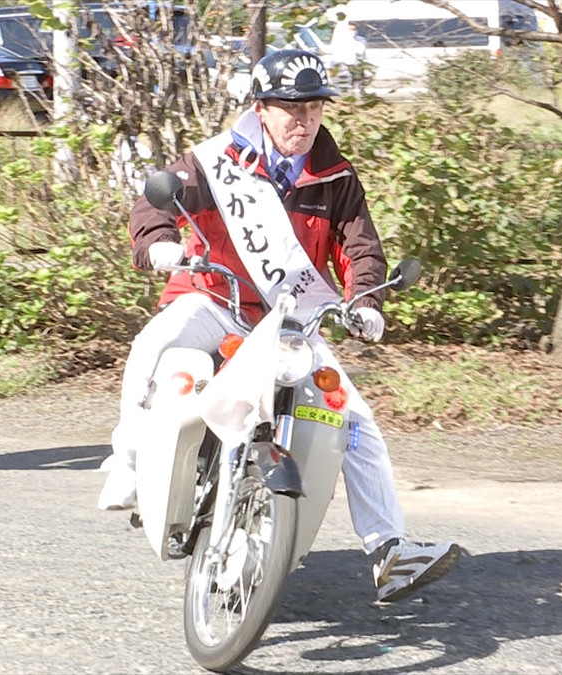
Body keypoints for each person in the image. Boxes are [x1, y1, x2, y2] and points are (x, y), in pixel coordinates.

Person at [96, 49, 460, 603]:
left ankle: (390, 551)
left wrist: (367, 302)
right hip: (213, 299)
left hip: (289, 323)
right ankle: (127, 461)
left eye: (314, 107)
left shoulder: (336, 176)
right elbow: (154, 205)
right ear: (261, 107)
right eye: (292, 108)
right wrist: (159, 245)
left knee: (356, 422)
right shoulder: (214, 161)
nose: (305, 120)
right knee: (157, 341)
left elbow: (360, 248)